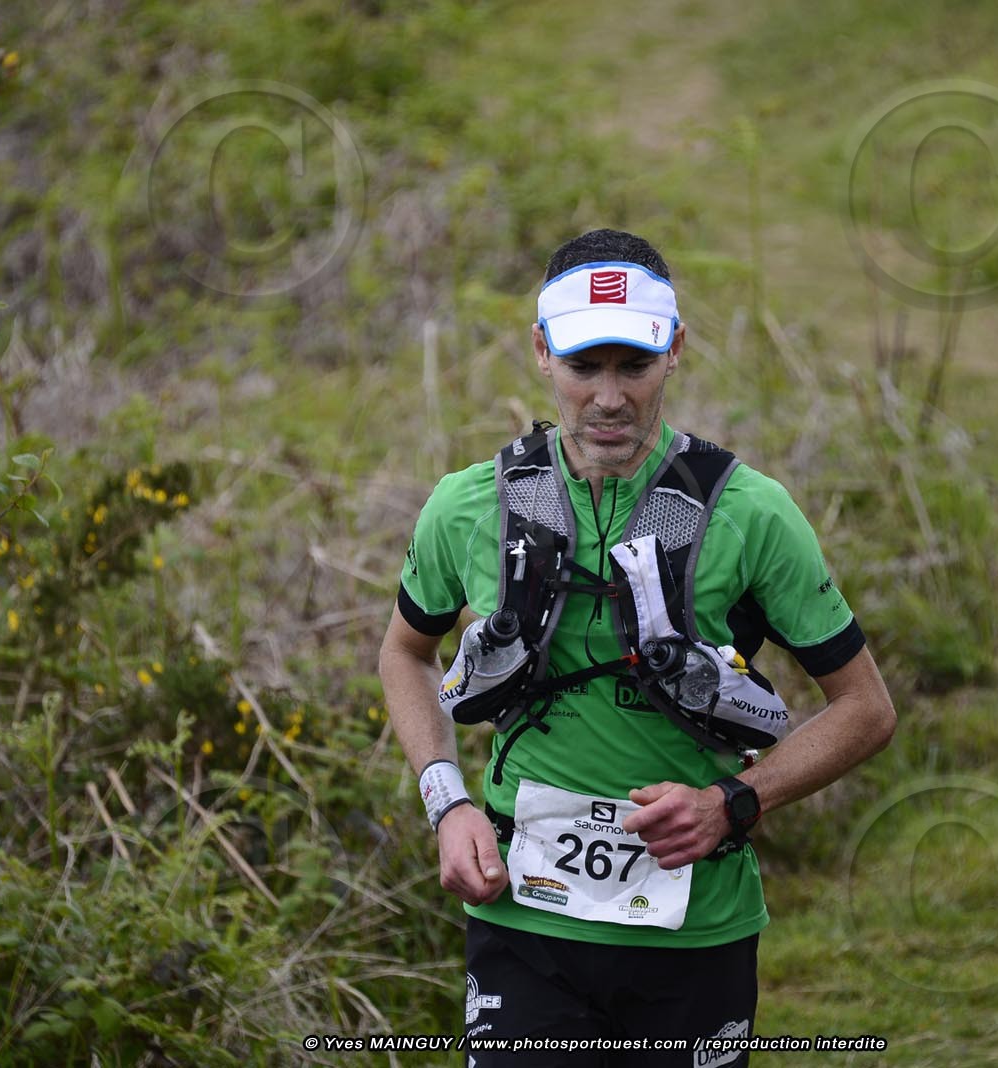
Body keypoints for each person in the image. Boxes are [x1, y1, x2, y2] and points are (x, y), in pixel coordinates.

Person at [379, 229, 896, 1066]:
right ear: (541, 353)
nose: (609, 398)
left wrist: (735, 803)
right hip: (522, 923)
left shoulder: (753, 513)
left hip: (695, 934)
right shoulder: (469, 505)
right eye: (584, 367)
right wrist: (448, 803)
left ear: (676, 349)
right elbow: (405, 653)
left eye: (636, 365)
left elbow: (866, 708)